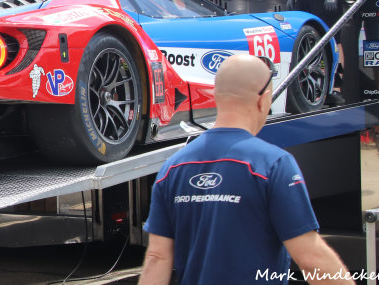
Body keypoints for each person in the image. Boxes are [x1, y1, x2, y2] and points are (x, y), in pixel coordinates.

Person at [139, 54, 354, 285]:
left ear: (216, 97)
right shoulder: (273, 165)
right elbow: (311, 258)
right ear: (263, 100)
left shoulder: (173, 168)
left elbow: (157, 256)